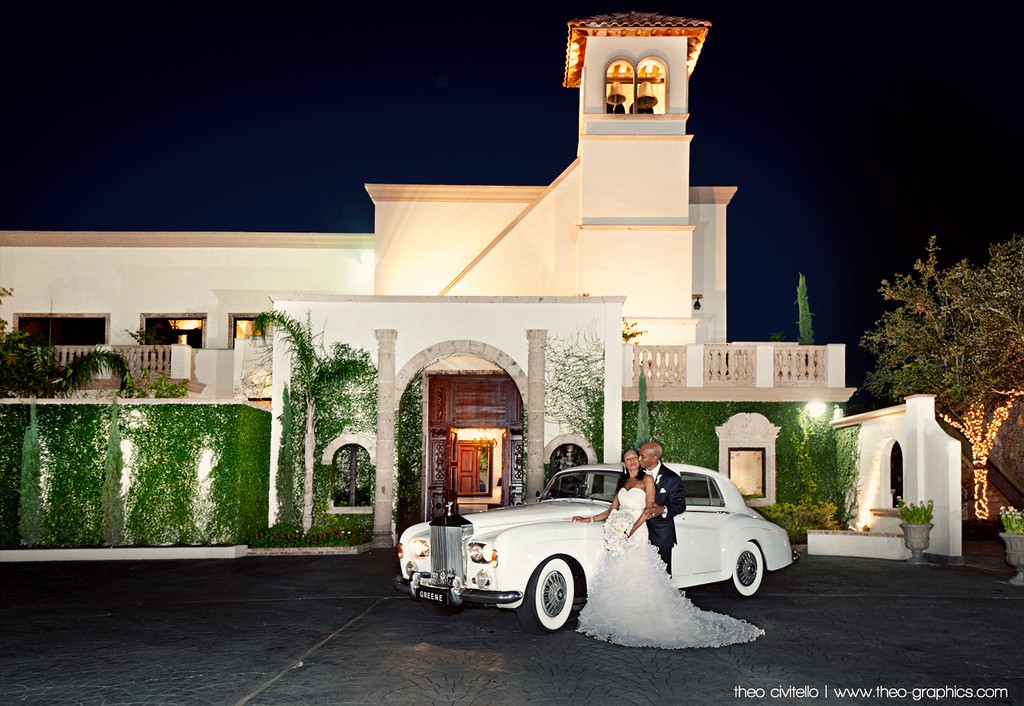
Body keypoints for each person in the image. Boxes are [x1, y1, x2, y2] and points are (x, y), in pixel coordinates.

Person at [572, 448, 764, 648]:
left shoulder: (647, 481)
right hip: (623, 533)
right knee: (620, 574)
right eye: (627, 459)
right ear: (624, 462)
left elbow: (648, 510)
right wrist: (589, 519)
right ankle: (618, 620)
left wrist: (628, 531)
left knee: (642, 574)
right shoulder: (623, 482)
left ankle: (645, 621)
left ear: (640, 460)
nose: (631, 461)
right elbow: (613, 510)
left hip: (637, 533)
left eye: (634, 458)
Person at [638, 440, 686, 574]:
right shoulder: (636, 475)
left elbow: (680, 505)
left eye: (643, 456)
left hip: (661, 533)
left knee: (660, 574)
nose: (639, 459)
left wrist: (663, 509)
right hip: (638, 530)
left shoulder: (672, 478)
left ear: (654, 458)